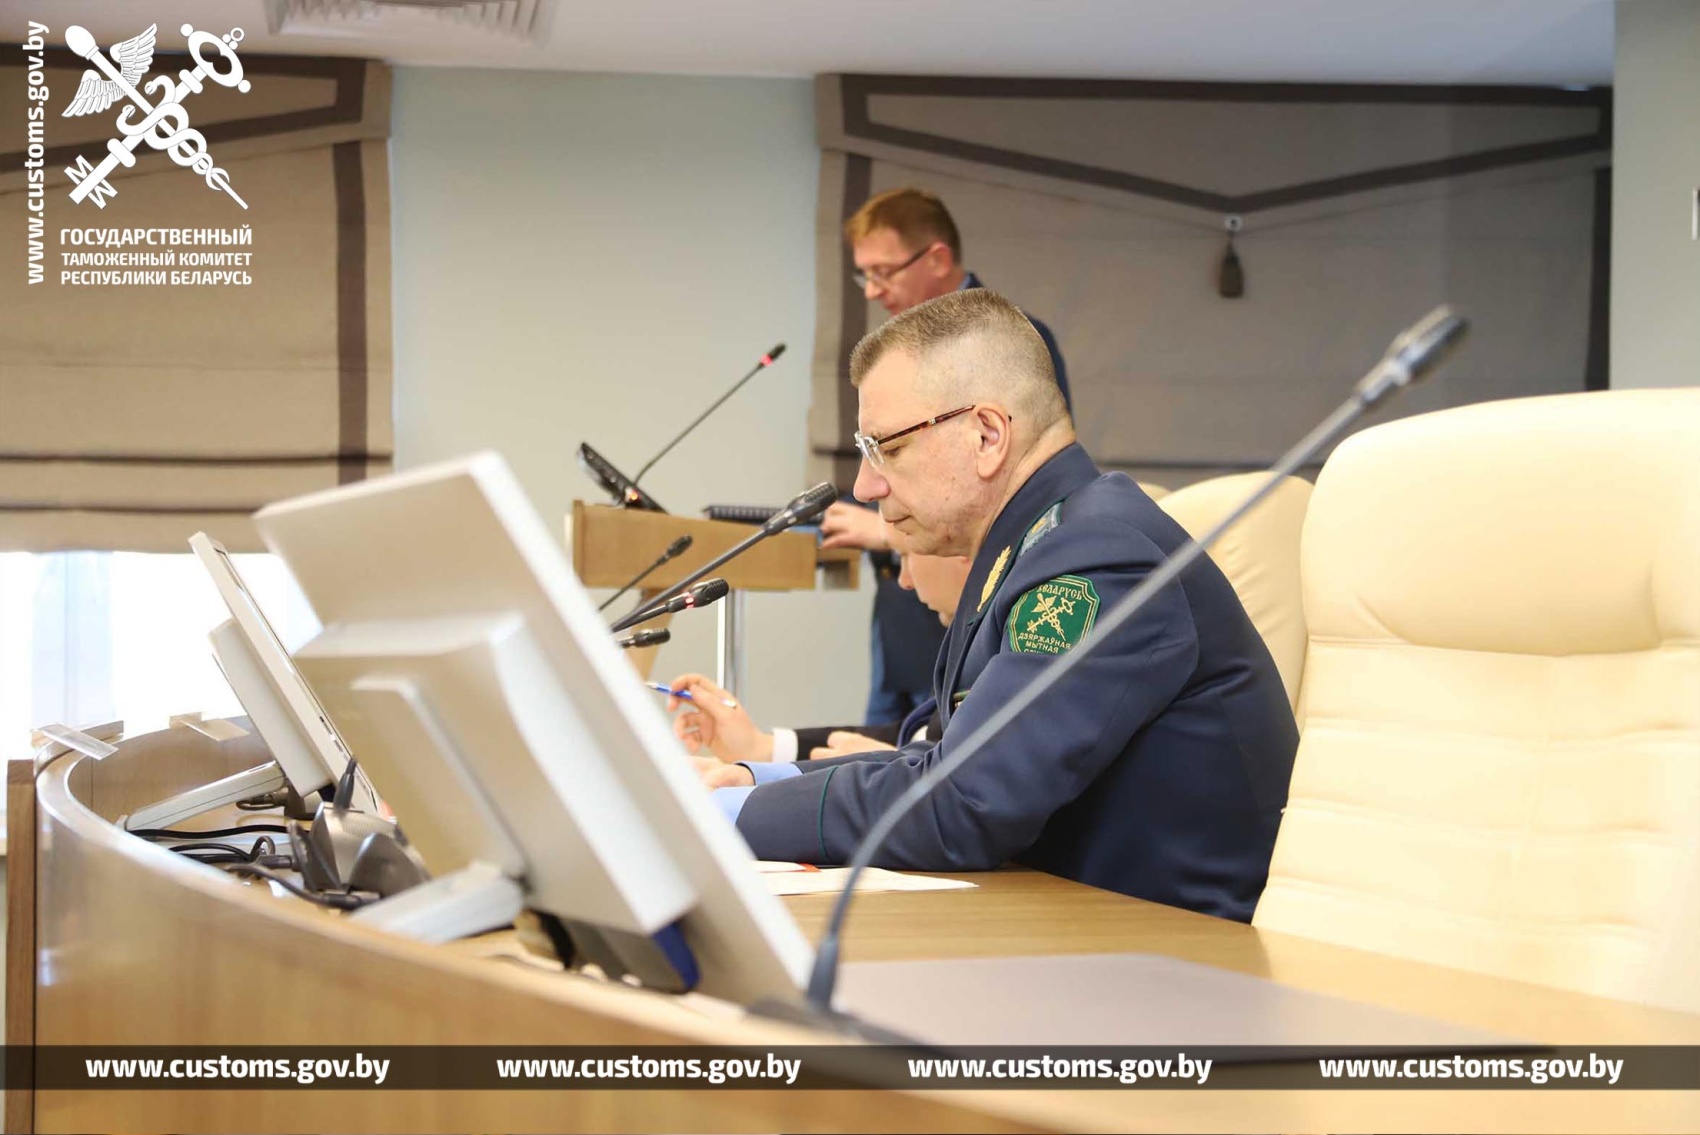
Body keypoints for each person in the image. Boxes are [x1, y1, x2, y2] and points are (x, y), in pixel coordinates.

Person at [700, 288, 1298, 923]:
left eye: (887, 448)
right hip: (1081, 930)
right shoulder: (1038, 548)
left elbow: (964, 803)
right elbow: (948, 760)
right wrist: (754, 782)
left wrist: (722, 817)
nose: (865, 485)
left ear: (987, 435)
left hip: (1173, 957)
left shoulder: (1100, 557)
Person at [820, 188, 1070, 729]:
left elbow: (1022, 492)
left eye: (884, 271)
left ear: (936, 259)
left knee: (927, 755)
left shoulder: (1008, 344)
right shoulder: (895, 355)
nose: (873, 290)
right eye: (865, 276)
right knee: (889, 750)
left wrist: (881, 530)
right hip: (900, 611)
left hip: (967, 606)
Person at [669, 548, 971, 763]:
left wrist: (891, 768)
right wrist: (761, 748)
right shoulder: (964, 642)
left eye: (905, 554)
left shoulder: (988, 646)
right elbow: (915, 737)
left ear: (962, 552)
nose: (904, 580)